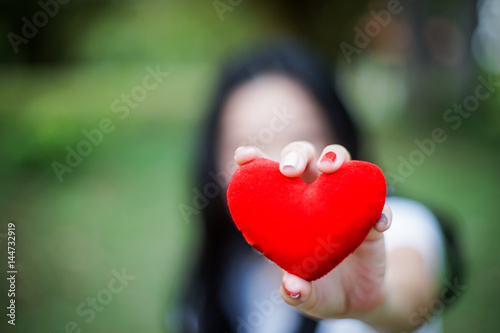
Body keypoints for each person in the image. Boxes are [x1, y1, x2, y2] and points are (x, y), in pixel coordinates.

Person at [176, 39, 461, 333]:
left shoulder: (394, 227)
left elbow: (409, 296)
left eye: (304, 133)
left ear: (340, 134)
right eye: (247, 143)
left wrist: (378, 304)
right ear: (212, 161)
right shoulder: (214, 281)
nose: (279, 159)